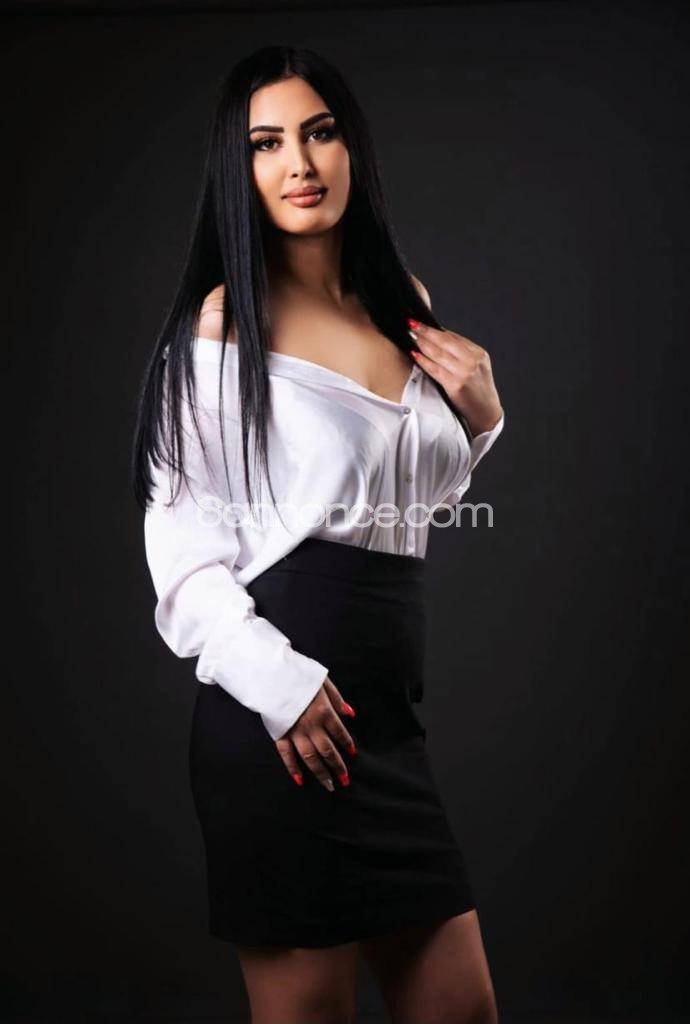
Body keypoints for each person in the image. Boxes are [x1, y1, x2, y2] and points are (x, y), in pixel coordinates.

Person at [132, 45, 505, 1024]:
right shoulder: (223, 325)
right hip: (284, 728)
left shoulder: (403, 301)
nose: (298, 163)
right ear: (239, 168)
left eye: (320, 132)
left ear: (352, 147)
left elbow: (399, 510)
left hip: (389, 721)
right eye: (266, 143)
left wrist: (482, 421)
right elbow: (182, 550)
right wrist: (281, 687)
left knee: (462, 1011)